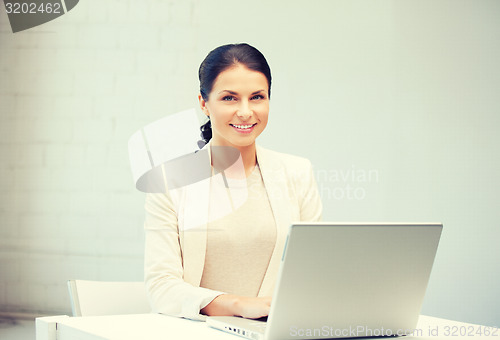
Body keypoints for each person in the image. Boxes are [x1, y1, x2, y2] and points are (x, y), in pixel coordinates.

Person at [143, 43, 322, 321]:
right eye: (229, 98)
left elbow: (313, 273)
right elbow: (161, 287)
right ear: (204, 103)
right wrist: (240, 305)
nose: (246, 111)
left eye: (257, 97)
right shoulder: (170, 182)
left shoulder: (297, 172)